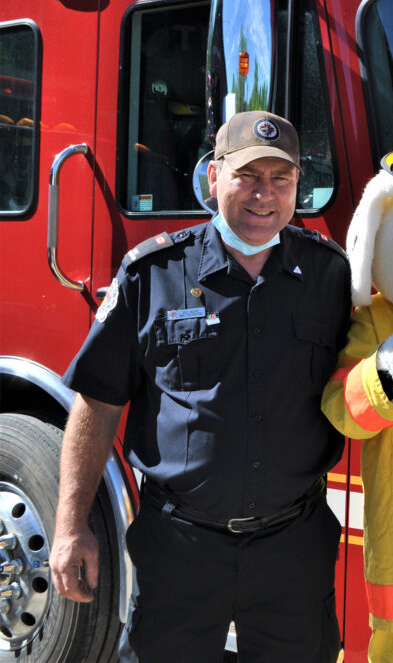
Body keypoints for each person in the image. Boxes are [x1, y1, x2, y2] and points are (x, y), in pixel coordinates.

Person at [50, 111, 352, 662]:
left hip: (293, 545)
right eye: (248, 177)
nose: (265, 196)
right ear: (213, 177)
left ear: (296, 188)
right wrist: (71, 527)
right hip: (180, 546)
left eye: (280, 180)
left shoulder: (332, 277)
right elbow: (97, 404)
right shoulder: (151, 274)